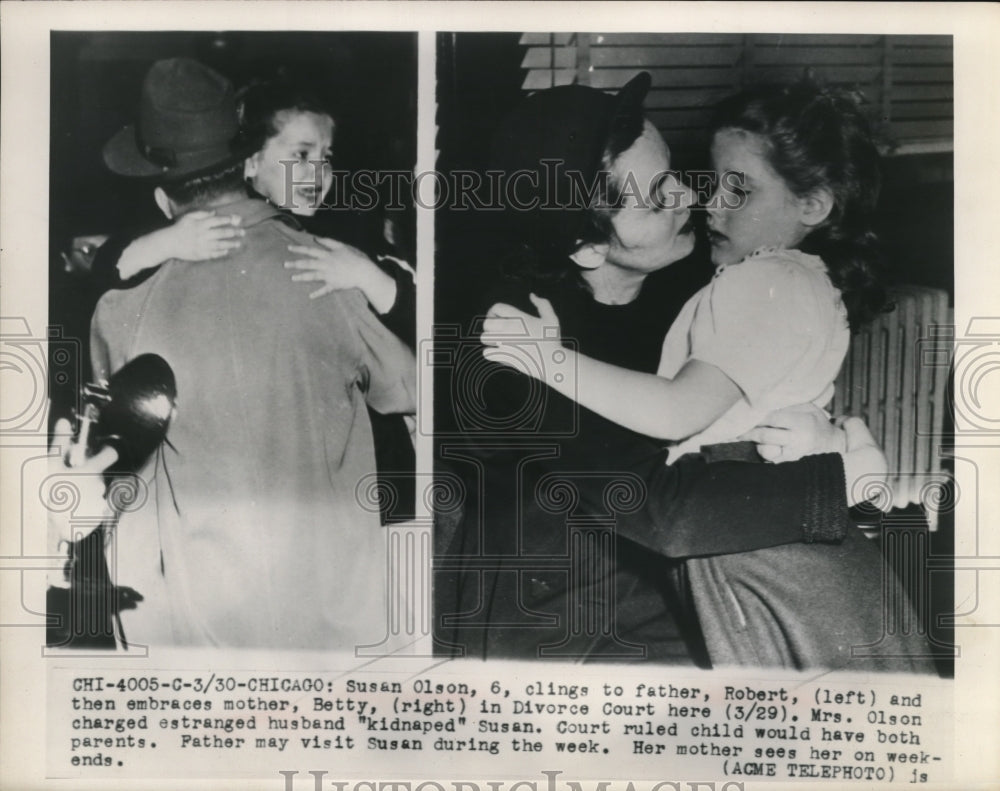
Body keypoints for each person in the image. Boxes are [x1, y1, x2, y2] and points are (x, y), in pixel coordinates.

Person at [436, 73, 920, 669]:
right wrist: (829, 482)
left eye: (678, 178)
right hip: (571, 631)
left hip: (692, 594)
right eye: (658, 197)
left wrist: (819, 435)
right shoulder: (512, 339)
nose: (692, 200)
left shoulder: (703, 272)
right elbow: (661, 509)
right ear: (586, 245)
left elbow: (768, 384)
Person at [90, 58, 416, 649]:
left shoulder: (121, 307)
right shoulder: (328, 270)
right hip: (332, 611)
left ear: (164, 202)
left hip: (204, 619)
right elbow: (412, 389)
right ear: (246, 165)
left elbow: (113, 459)